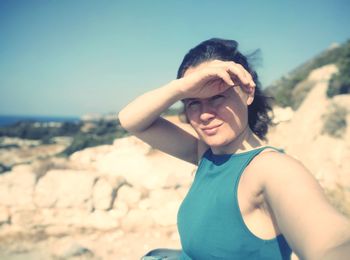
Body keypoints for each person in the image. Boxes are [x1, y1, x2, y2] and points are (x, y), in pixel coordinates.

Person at [118, 38, 350, 260]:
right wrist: (180, 88)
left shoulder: (272, 169)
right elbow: (131, 120)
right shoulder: (205, 153)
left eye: (218, 97)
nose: (205, 114)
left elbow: (333, 243)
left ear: (247, 92)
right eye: (193, 102)